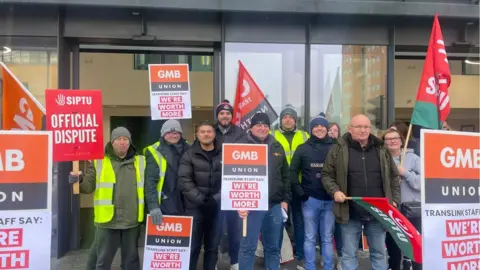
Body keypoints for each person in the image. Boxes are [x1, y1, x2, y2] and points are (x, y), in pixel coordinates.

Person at [322, 114, 401, 270]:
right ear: (350, 128)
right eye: (359, 127)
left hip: (378, 212)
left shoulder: (381, 149)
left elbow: (393, 177)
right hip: (349, 211)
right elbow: (326, 175)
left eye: (366, 127)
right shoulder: (338, 149)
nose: (363, 130)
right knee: (349, 254)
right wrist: (335, 191)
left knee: (379, 253)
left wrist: (395, 200)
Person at [69, 127, 145, 270]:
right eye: (118, 139)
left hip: (132, 220)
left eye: (125, 139)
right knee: (103, 261)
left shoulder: (141, 162)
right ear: (112, 142)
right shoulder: (99, 162)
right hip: (107, 221)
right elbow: (87, 187)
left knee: (131, 262)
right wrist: (78, 180)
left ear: (130, 142)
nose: (122, 142)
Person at [237, 112, 291, 270]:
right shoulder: (240, 146)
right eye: (258, 125)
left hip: (274, 206)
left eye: (266, 125)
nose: (262, 128)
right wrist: (239, 203)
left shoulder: (276, 146)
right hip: (249, 206)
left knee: (273, 248)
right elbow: (231, 178)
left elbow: (286, 176)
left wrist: (285, 201)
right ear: (251, 127)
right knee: (248, 248)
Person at [291, 113, 335, 270]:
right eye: (316, 126)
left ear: (327, 128)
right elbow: (292, 172)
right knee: (309, 237)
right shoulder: (302, 149)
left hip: (331, 200)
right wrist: (301, 193)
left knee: (327, 238)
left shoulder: (335, 147)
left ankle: (328, 267)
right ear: (311, 129)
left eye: (322, 126)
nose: (319, 128)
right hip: (310, 200)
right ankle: (310, 267)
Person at [178, 122, 223, 270]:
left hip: (216, 208)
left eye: (209, 131)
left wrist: (215, 199)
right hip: (194, 208)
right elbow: (185, 181)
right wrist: (201, 200)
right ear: (197, 135)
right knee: (193, 247)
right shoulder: (189, 155)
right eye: (202, 132)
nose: (206, 134)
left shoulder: (224, 153)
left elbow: (230, 180)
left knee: (212, 248)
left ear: (214, 134)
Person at [272, 105, 309, 261]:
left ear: (295, 120)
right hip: (280, 184)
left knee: (300, 222)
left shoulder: (305, 135)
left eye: (291, 117)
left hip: (300, 185)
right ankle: (280, 255)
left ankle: (300, 253)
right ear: (281, 120)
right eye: (285, 117)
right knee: (279, 222)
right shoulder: (271, 135)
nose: (288, 119)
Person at [382, 129, 422, 270]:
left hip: (411, 210)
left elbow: (423, 183)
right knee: (393, 246)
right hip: (392, 210)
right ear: (384, 142)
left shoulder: (414, 158)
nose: (392, 141)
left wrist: (405, 173)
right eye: (388, 139)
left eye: (395, 138)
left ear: (401, 140)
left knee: (414, 246)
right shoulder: (381, 159)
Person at [214, 100, 245, 270]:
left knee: (235, 228)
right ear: (218, 116)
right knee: (215, 228)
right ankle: (215, 260)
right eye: (222, 113)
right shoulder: (210, 131)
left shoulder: (240, 133)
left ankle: (235, 261)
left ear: (231, 116)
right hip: (215, 187)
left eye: (228, 113)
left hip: (235, 188)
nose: (225, 116)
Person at [145, 119, 190, 225]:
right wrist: (153, 207)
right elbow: (150, 182)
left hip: (186, 203)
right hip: (164, 204)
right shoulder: (154, 151)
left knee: (184, 240)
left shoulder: (189, 149)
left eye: (176, 132)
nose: (173, 135)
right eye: (169, 132)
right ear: (163, 134)